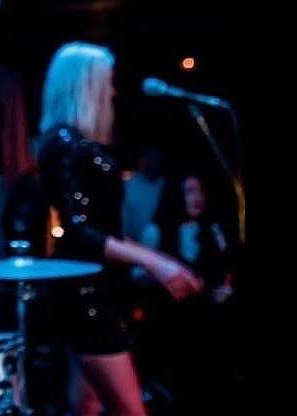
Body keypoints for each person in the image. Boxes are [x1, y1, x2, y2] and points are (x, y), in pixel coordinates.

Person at [35, 42, 203, 416]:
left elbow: (105, 228)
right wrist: (155, 263)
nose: (112, 92)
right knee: (129, 409)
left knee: (87, 404)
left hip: (98, 287)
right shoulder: (63, 144)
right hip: (86, 294)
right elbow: (81, 232)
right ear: (85, 85)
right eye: (106, 82)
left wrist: (161, 262)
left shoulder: (75, 143)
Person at [136, 173, 240, 413]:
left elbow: (225, 267)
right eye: (190, 192)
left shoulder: (212, 230)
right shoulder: (155, 232)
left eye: (200, 191)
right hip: (170, 324)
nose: (198, 198)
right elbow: (139, 276)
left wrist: (226, 288)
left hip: (207, 323)